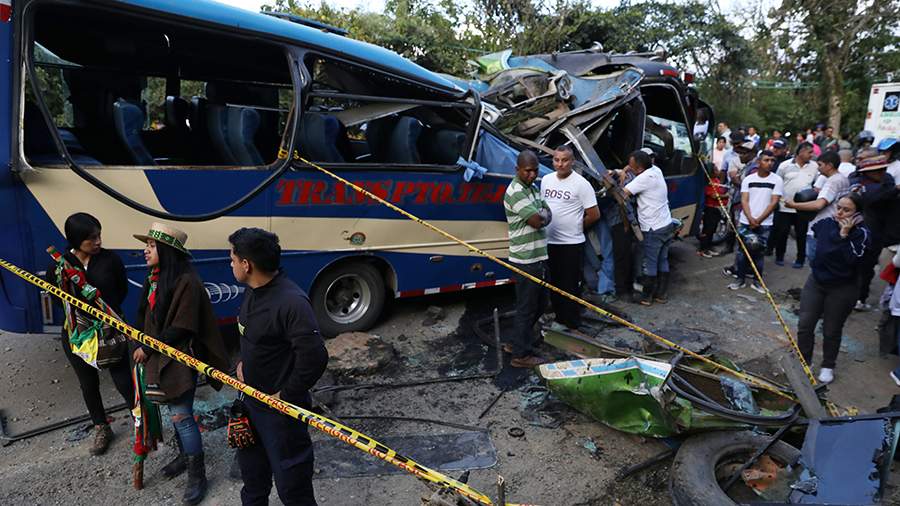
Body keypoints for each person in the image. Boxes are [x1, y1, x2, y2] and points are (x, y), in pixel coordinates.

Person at [229, 227, 329, 505]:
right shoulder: (253, 291)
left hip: (280, 415)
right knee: (252, 481)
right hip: (250, 403)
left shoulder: (291, 303)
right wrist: (244, 364)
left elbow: (315, 357)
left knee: (293, 488)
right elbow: (256, 337)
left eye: (232, 259)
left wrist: (286, 396)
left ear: (246, 265)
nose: (230, 265)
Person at [132, 222, 229, 505]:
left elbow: (182, 328)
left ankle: (198, 475)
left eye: (151, 246)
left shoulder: (187, 282)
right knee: (172, 409)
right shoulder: (155, 278)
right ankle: (185, 456)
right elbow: (145, 317)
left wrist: (147, 348)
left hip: (179, 356)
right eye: (146, 245)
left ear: (166, 251)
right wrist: (139, 341)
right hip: (160, 354)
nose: (145, 251)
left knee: (181, 415)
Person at [46, 213, 134, 456]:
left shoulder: (110, 259)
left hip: (110, 329)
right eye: (91, 238)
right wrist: (83, 319)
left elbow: (122, 290)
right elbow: (57, 299)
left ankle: (141, 422)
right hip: (77, 333)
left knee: (123, 380)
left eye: (99, 236)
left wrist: (104, 316)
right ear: (76, 240)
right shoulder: (59, 266)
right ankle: (101, 427)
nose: (98, 242)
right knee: (88, 383)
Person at [797, 194, 871, 384]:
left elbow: (853, 260)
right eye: (839, 207)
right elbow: (817, 242)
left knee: (831, 329)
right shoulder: (826, 224)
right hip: (817, 281)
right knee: (805, 324)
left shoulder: (861, 233)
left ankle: (828, 365)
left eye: (847, 210)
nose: (840, 213)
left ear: (857, 213)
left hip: (843, 287)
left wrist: (843, 235)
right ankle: (805, 362)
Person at [541, 145, 600, 329]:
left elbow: (594, 215)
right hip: (549, 242)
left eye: (564, 160)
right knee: (553, 283)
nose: (560, 164)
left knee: (570, 285)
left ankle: (570, 322)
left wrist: (575, 227)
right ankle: (559, 317)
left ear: (572, 161)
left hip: (571, 244)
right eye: (556, 160)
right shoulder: (546, 180)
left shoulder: (582, 184)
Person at [503, 150, 551, 368]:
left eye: (535, 170)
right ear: (517, 170)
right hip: (526, 259)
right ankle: (520, 356)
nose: (532, 174)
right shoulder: (516, 192)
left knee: (540, 303)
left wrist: (542, 215)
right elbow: (537, 220)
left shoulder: (533, 188)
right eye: (528, 171)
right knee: (527, 307)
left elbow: (547, 213)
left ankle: (516, 342)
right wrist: (541, 215)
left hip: (538, 256)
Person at [619, 150, 674, 304]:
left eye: (631, 167)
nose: (629, 168)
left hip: (652, 228)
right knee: (662, 260)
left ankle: (646, 296)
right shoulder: (656, 170)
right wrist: (623, 170)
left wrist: (622, 179)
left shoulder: (643, 179)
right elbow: (631, 169)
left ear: (639, 169)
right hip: (666, 224)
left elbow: (622, 194)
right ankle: (661, 294)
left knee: (649, 263)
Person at [848, 152, 898, 311]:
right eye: (877, 170)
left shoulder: (886, 180)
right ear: (867, 172)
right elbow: (871, 197)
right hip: (858, 231)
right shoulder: (858, 183)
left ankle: (860, 298)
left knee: (866, 269)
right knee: (853, 266)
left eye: (883, 169)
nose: (882, 173)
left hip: (878, 234)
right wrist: (895, 190)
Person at [728, 151, 782, 293]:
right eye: (766, 160)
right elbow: (744, 200)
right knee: (742, 252)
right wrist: (750, 218)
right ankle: (740, 279)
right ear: (758, 162)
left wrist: (759, 219)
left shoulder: (777, 180)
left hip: (765, 223)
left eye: (772, 160)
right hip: (746, 221)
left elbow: (773, 202)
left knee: (759, 253)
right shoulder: (748, 179)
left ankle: (757, 282)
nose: (770, 163)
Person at [784, 151, 849, 264]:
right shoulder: (842, 179)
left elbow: (819, 204)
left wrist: (793, 205)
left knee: (816, 261)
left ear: (829, 166)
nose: (818, 168)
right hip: (832, 225)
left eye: (820, 165)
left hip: (823, 227)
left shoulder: (833, 181)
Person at [769, 142, 818, 267]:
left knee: (801, 234)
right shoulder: (784, 166)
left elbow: (816, 184)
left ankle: (800, 259)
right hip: (784, 206)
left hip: (803, 208)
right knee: (782, 233)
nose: (812, 155)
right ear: (800, 152)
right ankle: (779, 256)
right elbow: (777, 183)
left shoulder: (814, 166)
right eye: (809, 152)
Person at [697, 162, 728, 258]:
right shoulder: (708, 183)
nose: (718, 171)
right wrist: (726, 195)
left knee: (712, 230)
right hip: (710, 209)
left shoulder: (716, 180)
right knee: (708, 230)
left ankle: (708, 247)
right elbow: (714, 195)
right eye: (715, 169)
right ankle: (703, 249)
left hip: (716, 209)